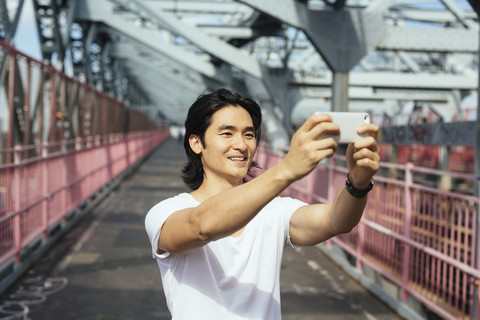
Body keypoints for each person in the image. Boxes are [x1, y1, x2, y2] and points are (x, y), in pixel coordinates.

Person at [145, 88, 380, 320]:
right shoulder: (164, 213)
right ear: (196, 143)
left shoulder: (275, 211)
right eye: (227, 134)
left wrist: (357, 183)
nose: (241, 145)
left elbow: (335, 220)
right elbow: (201, 226)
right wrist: (287, 169)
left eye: (248, 135)